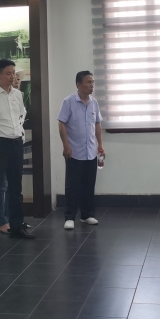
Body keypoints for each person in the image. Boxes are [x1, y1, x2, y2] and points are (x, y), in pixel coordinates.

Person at [0, 59, 35, 248]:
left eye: (14, 73)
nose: (13, 76)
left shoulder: (18, 95)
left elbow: (20, 117)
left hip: (16, 144)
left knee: (16, 188)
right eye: (8, 73)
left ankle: (17, 226)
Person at [58, 71, 104, 230]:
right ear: (79, 84)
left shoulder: (94, 103)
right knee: (72, 186)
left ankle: (87, 215)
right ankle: (69, 217)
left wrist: (100, 144)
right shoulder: (69, 102)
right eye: (88, 82)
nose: (92, 85)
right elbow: (61, 124)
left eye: (93, 82)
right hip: (74, 151)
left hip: (90, 151)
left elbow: (97, 124)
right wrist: (66, 145)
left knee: (89, 185)